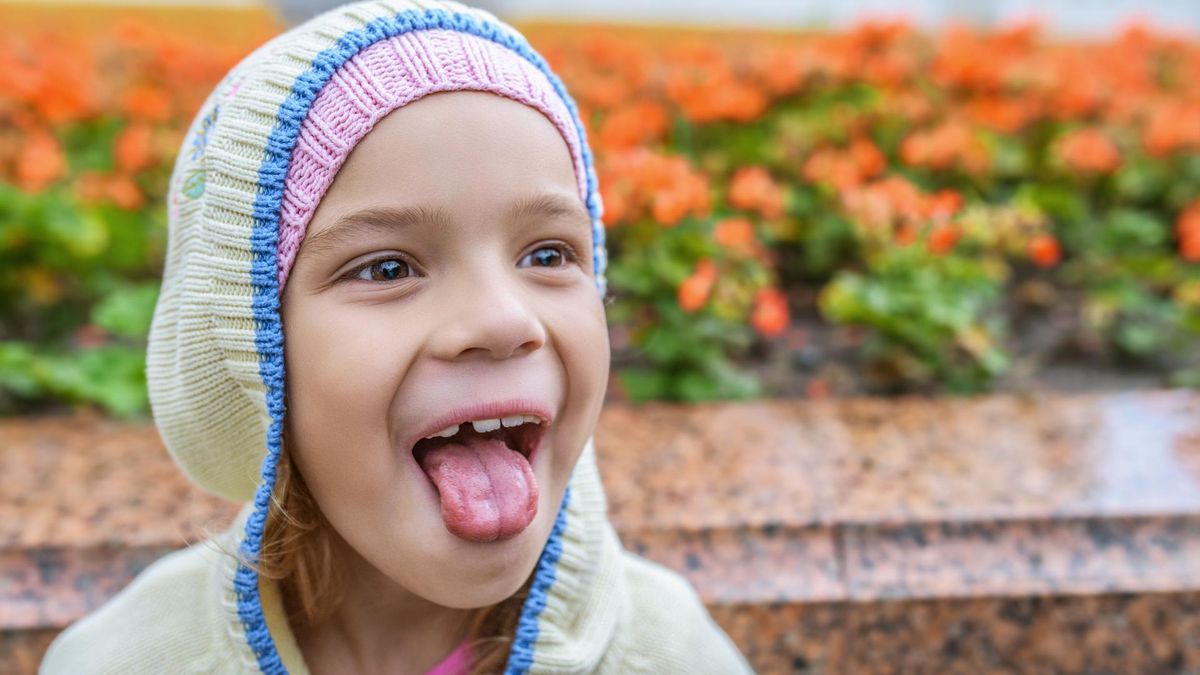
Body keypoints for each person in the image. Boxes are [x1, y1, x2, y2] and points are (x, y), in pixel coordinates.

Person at [40, 1, 755, 673]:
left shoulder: (669, 651)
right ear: (252, 345)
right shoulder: (129, 657)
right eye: (387, 267)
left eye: (547, 254)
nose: (505, 319)